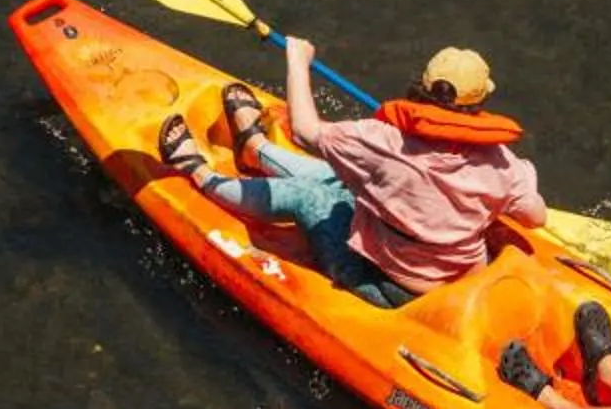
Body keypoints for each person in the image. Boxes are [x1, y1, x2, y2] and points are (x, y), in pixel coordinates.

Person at [159, 41, 544, 308]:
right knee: (344, 178)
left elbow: (305, 130)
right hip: (452, 282)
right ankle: (256, 150)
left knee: (312, 197)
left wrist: (297, 59)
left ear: (422, 89)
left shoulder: (382, 142)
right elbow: (535, 217)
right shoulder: (503, 164)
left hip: (382, 284)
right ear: (479, 104)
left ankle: (201, 175)